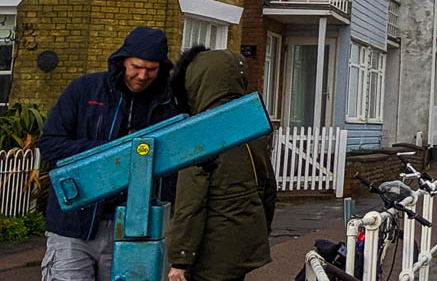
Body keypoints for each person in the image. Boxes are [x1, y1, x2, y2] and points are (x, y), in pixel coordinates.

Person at [38, 26, 178, 281]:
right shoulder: (84, 90)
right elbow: (50, 145)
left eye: (151, 69)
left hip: (132, 228)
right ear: (123, 60)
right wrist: (115, 153)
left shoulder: (167, 105)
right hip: (72, 225)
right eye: (137, 66)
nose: (143, 75)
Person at [165, 46, 277, 281]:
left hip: (211, 252)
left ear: (197, 81)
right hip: (245, 243)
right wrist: (260, 229)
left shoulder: (200, 133)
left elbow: (191, 203)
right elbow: (268, 186)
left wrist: (180, 260)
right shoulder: (253, 126)